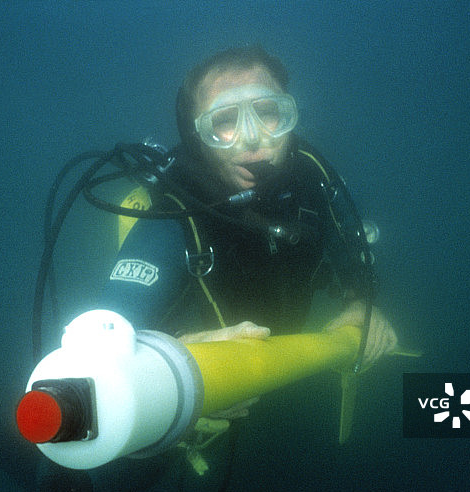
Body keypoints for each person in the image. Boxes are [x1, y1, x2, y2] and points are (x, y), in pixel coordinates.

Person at [94, 44, 398, 371]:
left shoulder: (314, 175)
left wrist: (362, 304)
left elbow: (352, 250)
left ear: (288, 115)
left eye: (267, 112)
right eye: (225, 121)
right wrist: (171, 359)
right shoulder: (174, 212)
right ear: (196, 135)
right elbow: (101, 339)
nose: (252, 138)